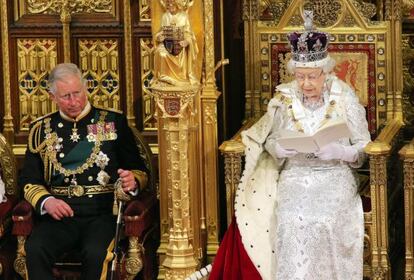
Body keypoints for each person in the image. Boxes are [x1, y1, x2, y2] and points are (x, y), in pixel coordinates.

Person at [208, 11, 371, 280]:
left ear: (326, 73)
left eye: (313, 77)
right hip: (295, 175)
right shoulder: (284, 99)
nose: (306, 84)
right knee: (291, 220)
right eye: (301, 77)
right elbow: (269, 138)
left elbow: (364, 147)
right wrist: (277, 149)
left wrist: (342, 152)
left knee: (325, 221)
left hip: (334, 175)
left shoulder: (344, 97)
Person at [19, 63, 149, 279]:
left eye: (77, 93)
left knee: (96, 253)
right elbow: (29, 180)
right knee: (35, 249)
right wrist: (46, 201)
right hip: (59, 216)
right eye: (66, 96)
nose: (73, 101)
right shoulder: (41, 130)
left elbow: (140, 170)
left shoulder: (112, 122)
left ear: (86, 87)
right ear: (53, 97)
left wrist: (132, 180)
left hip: (101, 214)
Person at [153, 0, 199, 86]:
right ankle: (164, 77)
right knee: (160, 52)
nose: (170, 5)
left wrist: (187, 41)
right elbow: (160, 32)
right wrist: (159, 37)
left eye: (172, 3)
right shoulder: (165, 16)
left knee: (180, 50)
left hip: (180, 44)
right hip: (167, 44)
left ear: (177, 4)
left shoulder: (184, 16)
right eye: (168, 3)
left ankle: (181, 77)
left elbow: (188, 33)